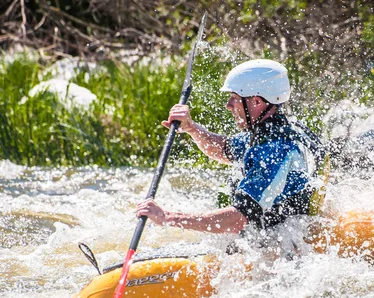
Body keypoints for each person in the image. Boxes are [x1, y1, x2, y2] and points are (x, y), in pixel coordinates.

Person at [136, 59, 326, 236]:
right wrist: (191, 128)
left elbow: (237, 220)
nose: (228, 105)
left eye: (235, 98)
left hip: (284, 245)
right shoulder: (277, 129)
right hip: (283, 231)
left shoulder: (275, 149)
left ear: (257, 101)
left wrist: (168, 218)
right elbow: (224, 148)